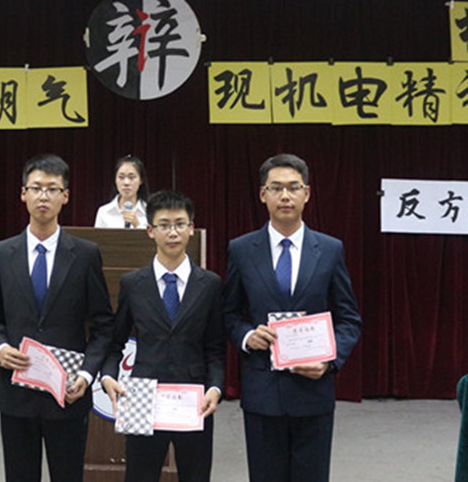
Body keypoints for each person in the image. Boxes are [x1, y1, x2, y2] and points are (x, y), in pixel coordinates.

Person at [223, 153, 362, 482]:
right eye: (276, 188)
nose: (285, 196)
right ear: (263, 194)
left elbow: (349, 319)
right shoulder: (241, 249)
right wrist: (247, 336)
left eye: (293, 187)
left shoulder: (329, 250)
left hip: (313, 392)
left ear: (307, 193)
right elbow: (228, 313)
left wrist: (330, 360)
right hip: (262, 393)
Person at [0, 153, 115, 482]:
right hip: (17, 395)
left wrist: (87, 374)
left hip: (67, 393)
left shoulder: (85, 254)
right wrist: (0, 349)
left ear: (65, 196)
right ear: (23, 194)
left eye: (52, 189)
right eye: (36, 188)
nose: (43, 196)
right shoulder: (1, 253)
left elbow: (103, 324)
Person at [101, 190, 224, 482]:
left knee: (196, 476)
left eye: (180, 224)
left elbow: (215, 348)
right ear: (150, 231)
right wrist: (108, 376)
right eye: (165, 225)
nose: (173, 232)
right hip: (143, 396)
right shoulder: (133, 284)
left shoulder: (209, 284)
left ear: (191, 229)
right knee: (139, 475)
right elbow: (115, 342)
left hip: (194, 398)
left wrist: (216, 388)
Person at [94, 155, 149, 229]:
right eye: (121, 177)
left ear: (141, 180)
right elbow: (97, 236)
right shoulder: (104, 212)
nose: (126, 183)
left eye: (131, 177)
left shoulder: (150, 212)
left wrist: (137, 225)